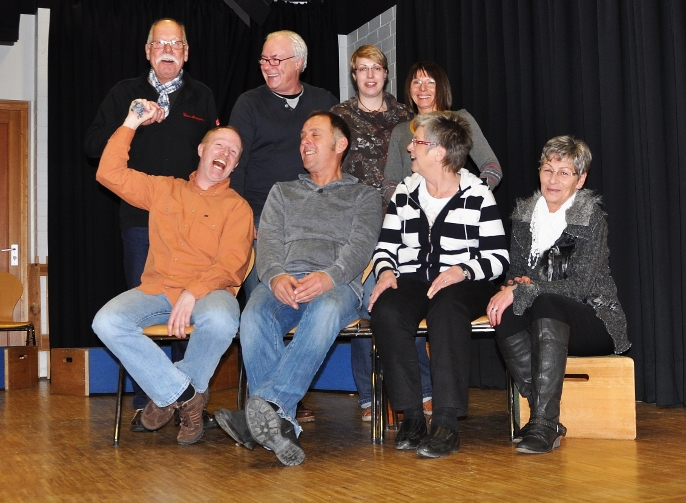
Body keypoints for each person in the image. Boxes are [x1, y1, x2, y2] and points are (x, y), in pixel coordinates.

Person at [214, 111, 382, 466]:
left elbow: (361, 247)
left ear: (340, 144)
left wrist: (328, 277)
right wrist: (275, 276)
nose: (305, 142)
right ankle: (281, 426)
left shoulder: (364, 195)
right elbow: (269, 242)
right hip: (285, 280)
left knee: (325, 309)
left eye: (314, 135)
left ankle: (267, 408)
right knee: (254, 315)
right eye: (303, 136)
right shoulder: (283, 191)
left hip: (338, 285)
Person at [92, 99, 253, 445]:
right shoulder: (164, 188)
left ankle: (168, 396)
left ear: (236, 164)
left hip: (210, 294)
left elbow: (232, 264)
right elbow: (108, 174)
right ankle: (184, 396)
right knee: (106, 322)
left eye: (233, 152)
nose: (225, 154)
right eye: (219, 145)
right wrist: (131, 122)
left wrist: (193, 293)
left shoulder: (238, 208)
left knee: (223, 319)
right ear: (202, 150)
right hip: (157, 291)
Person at [84, 18, 218, 431]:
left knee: (188, 313)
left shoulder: (203, 96)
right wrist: (133, 120)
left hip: (193, 225)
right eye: (160, 43)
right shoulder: (124, 93)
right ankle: (151, 400)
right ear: (147, 51)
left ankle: (185, 395)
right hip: (140, 222)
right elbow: (92, 147)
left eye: (176, 44)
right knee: (144, 311)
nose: (168, 50)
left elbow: (216, 157)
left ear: (186, 52)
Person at [369, 112, 509, 458]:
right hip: (415, 279)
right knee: (386, 311)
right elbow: (385, 248)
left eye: (416, 142)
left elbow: (498, 258)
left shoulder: (477, 194)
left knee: (446, 309)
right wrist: (385, 272)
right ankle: (412, 416)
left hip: (466, 282)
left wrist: (463, 269)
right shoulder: (405, 192)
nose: (409, 148)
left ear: (440, 152)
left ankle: (446, 422)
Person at [486, 136, 630, 454]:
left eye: (564, 173)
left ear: (580, 180)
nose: (553, 179)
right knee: (504, 309)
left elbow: (578, 287)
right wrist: (514, 285)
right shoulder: (524, 216)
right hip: (543, 317)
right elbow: (516, 274)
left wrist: (526, 287)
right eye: (548, 170)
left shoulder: (590, 217)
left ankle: (544, 422)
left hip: (595, 320)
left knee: (545, 301)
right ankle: (543, 416)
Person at [229, 31, 338, 423]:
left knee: (310, 307)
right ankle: (275, 404)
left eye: (277, 59)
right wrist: (246, 221)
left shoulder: (323, 100)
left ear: (299, 63)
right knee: (265, 309)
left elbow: (338, 157)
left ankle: (278, 400)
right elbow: (236, 165)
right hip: (262, 220)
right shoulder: (249, 103)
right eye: (264, 59)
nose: (268, 66)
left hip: (315, 223)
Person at [329, 45, 431, 421]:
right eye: (362, 69)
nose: (370, 76)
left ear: (386, 74)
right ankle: (370, 395)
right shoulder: (338, 116)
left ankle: (423, 390)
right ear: (353, 75)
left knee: (404, 301)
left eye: (376, 68)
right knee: (365, 304)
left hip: (402, 221)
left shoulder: (406, 116)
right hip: (355, 223)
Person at [384, 61, 502, 199]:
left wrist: (470, 198)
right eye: (416, 82)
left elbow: (492, 168)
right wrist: (404, 204)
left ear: (441, 87)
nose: (423, 88)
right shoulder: (400, 131)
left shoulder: (460, 120)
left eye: (430, 82)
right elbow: (390, 183)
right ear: (409, 89)